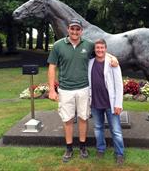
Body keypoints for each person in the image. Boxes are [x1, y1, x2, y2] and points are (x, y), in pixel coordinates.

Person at [47, 18, 118, 163]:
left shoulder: (88, 44)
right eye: (72, 29)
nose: (75, 31)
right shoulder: (58, 45)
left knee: (83, 118)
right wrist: (51, 90)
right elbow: (52, 67)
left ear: (81, 31)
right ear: (68, 29)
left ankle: (83, 147)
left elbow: (101, 52)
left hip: (84, 89)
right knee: (67, 120)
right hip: (65, 90)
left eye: (77, 29)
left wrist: (113, 57)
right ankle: (68, 148)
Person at [88, 39, 125, 166]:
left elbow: (119, 85)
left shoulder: (113, 63)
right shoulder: (90, 62)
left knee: (116, 130)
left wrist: (118, 104)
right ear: (94, 49)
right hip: (95, 102)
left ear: (106, 49)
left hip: (111, 103)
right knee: (98, 128)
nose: (99, 50)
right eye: (97, 48)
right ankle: (100, 149)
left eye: (102, 48)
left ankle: (119, 153)